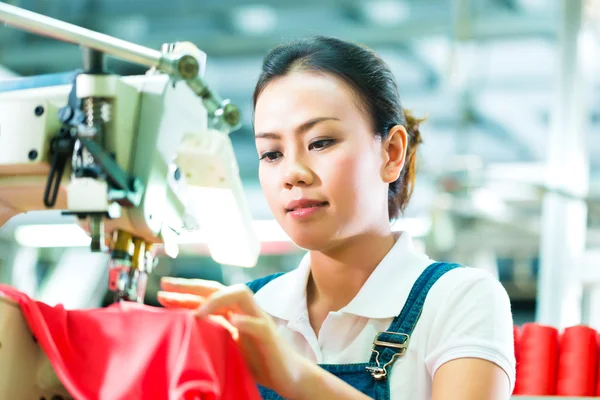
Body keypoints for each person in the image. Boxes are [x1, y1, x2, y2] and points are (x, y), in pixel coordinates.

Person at [157, 36, 516, 400]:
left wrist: (295, 377)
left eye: (320, 142)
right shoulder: (250, 312)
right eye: (271, 153)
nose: (292, 173)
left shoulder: (458, 300)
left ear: (391, 153)